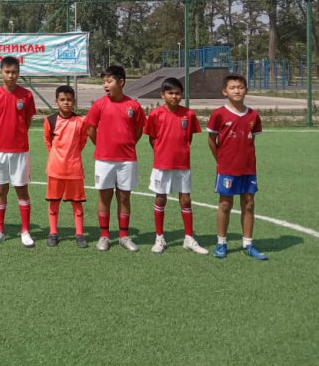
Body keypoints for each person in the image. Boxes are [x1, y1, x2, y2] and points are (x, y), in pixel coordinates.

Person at [86, 64, 146, 252]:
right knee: (104, 197)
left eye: (109, 81)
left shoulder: (133, 106)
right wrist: (103, 146)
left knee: (124, 197)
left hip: (127, 159)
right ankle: (104, 236)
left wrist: (127, 145)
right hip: (104, 159)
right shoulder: (99, 105)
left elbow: (138, 130)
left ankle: (123, 236)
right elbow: (91, 130)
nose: (105, 85)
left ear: (121, 82)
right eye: (103, 82)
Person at [145, 78, 209, 255]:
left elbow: (189, 138)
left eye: (178, 93)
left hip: (182, 164)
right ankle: (159, 237)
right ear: (162, 95)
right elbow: (152, 138)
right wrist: (161, 152)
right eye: (170, 93)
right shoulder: (156, 114)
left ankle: (189, 238)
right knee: (160, 198)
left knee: (186, 199)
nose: (174, 96)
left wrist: (180, 151)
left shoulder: (189, 114)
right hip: (162, 163)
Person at [207, 74, 266, 260]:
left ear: (246, 90)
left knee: (249, 203)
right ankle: (221, 243)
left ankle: (248, 243)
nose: (237, 91)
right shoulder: (218, 114)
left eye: (240, 87)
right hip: (227, 168)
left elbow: (251, 140)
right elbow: (211, 140)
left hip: (248, 168)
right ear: (225, 91)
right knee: (225, 203)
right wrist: (221, 160)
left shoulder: (253, 115)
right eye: (232, 88)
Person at [0, 56, 36, 247]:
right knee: (0, 188)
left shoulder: (26, 95)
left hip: (20, 150)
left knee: (22, 189)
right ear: (1, 73)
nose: (11, 76)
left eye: (14, 72)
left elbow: (27, 120)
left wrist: (17, 136)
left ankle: (25, 231)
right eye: (7, 72)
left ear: (18, 73)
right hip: (0, 151)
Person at [44, 85, 89, 249]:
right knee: (54, 201)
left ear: (74, 101)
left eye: (69, 100)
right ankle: (53, 232)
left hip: (74, 170)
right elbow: (48, 141)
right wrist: (57, 157)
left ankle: (79, 234)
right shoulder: (50, 121)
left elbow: (82, 141)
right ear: (56, 101)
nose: (66, 103)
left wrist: (71, 156)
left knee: (77, 203)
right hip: (55, 169)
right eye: (62, 99)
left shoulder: (80, 121)